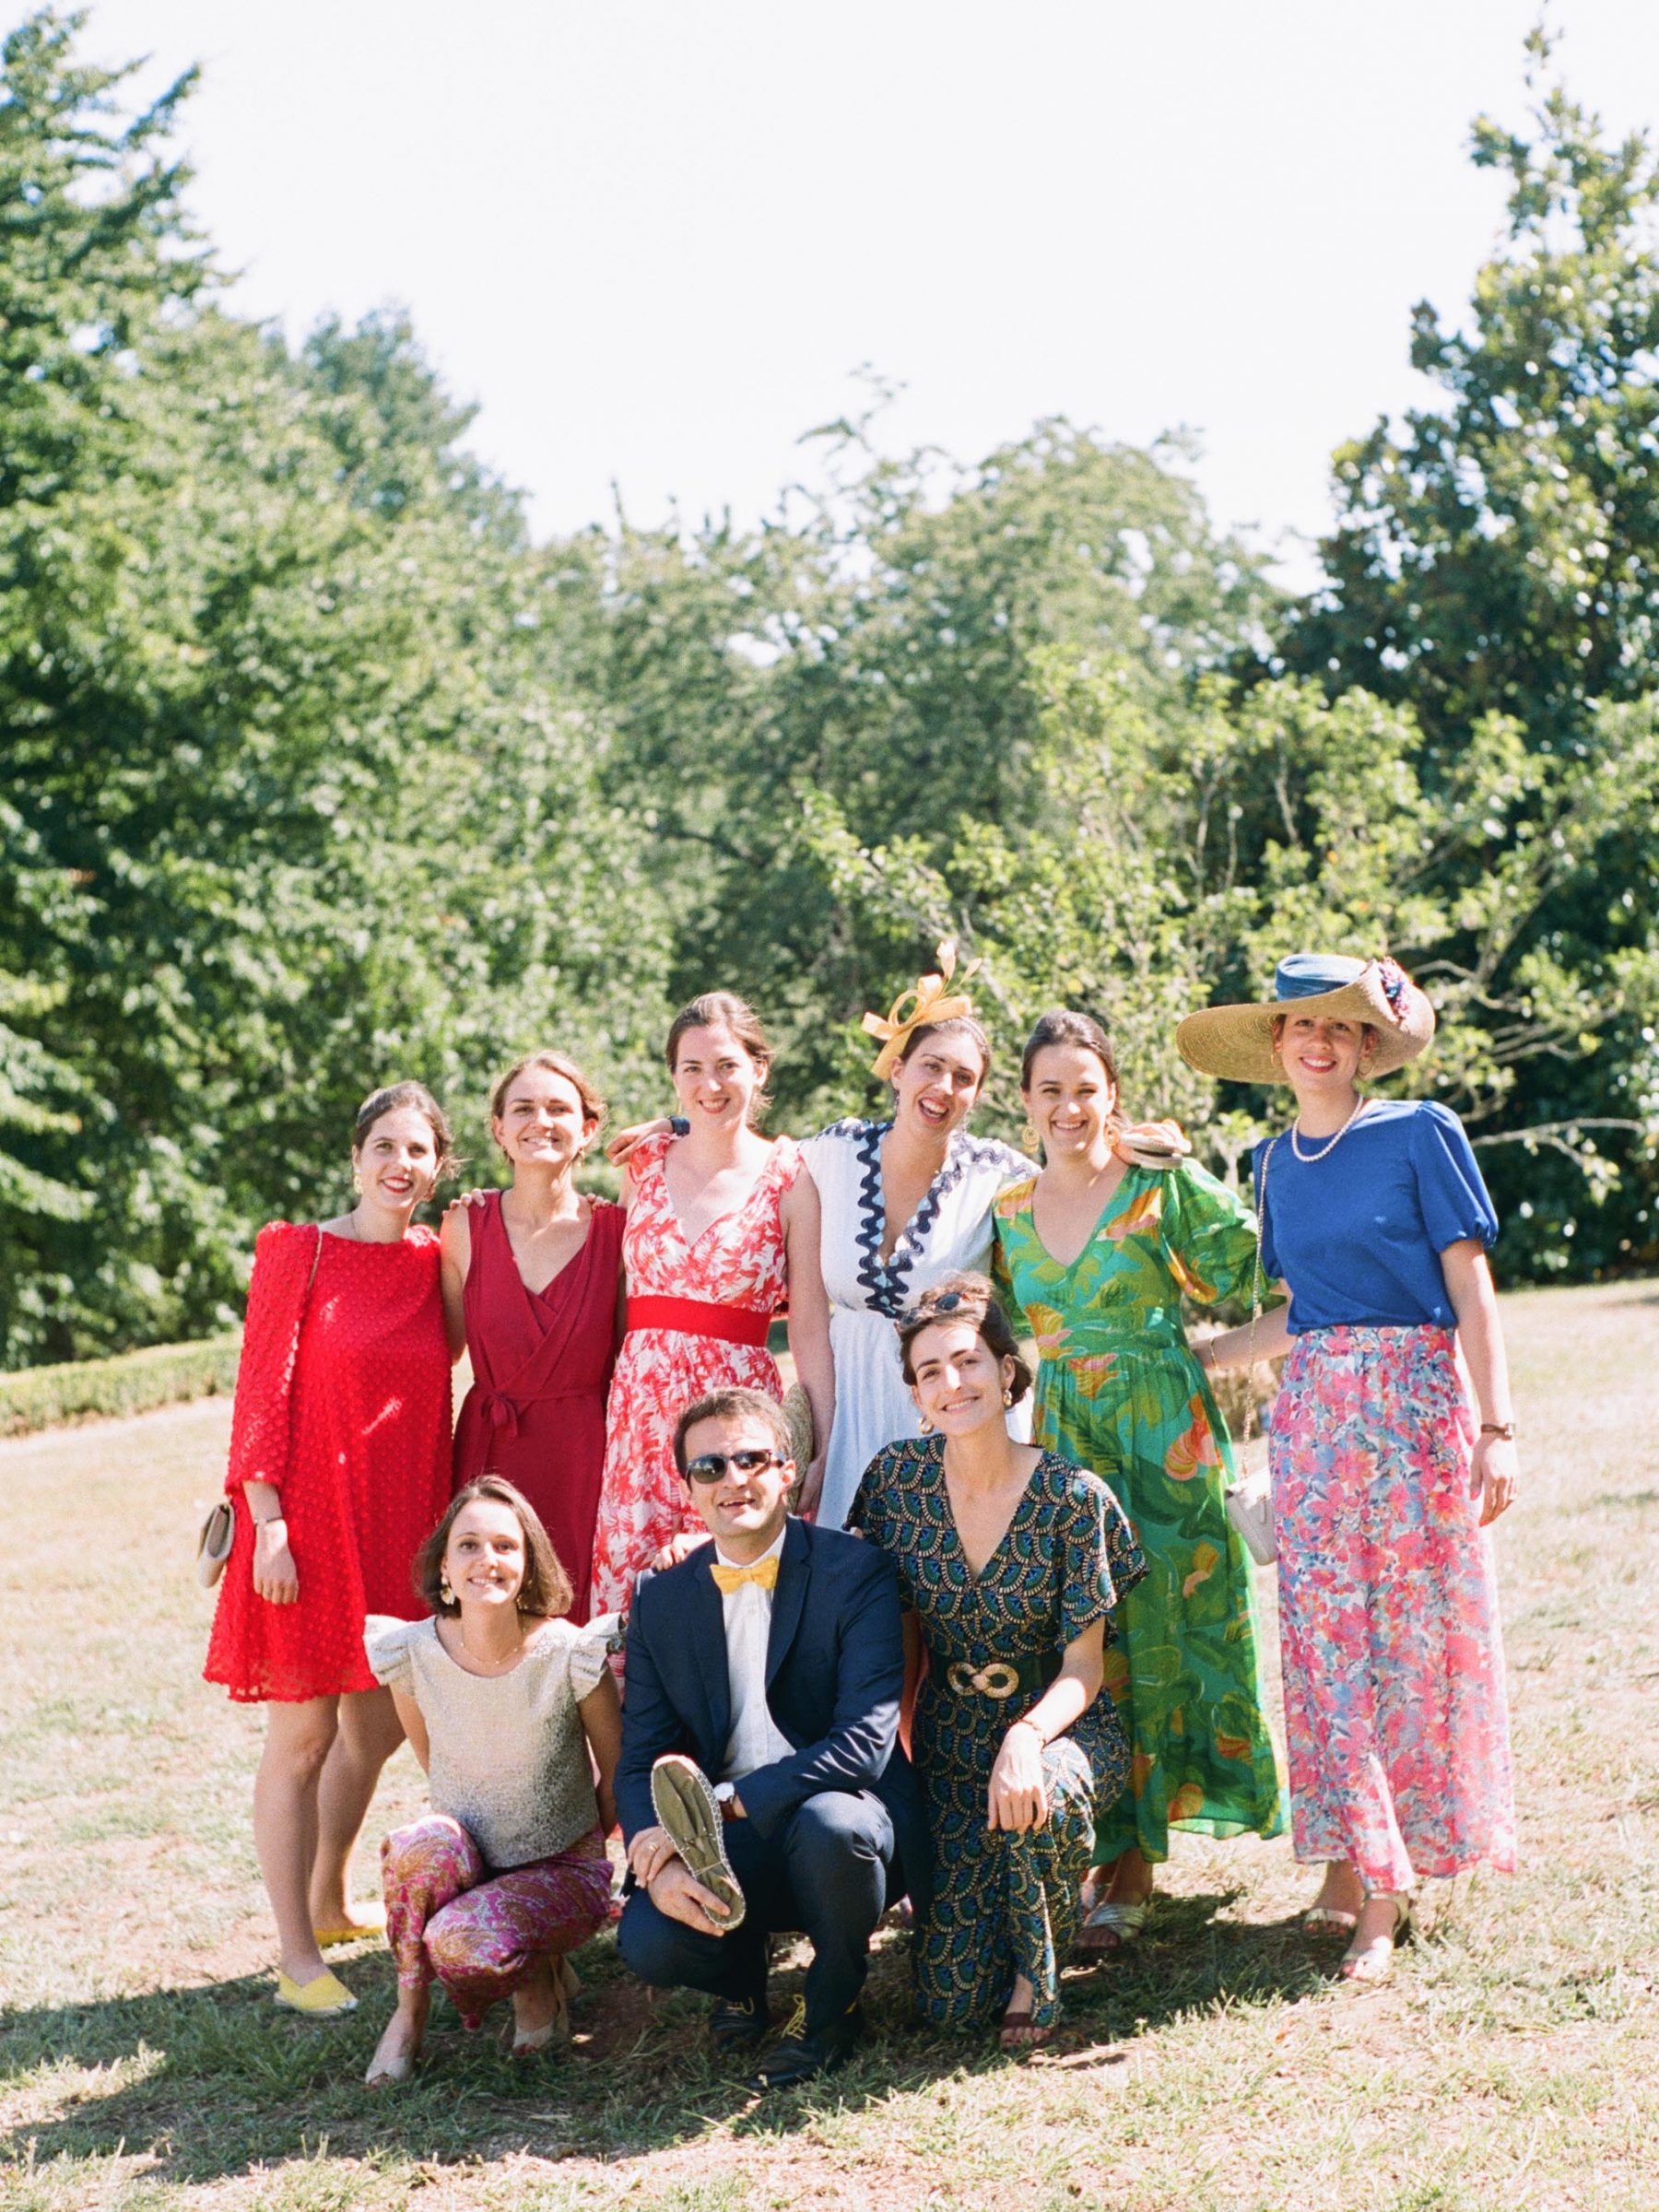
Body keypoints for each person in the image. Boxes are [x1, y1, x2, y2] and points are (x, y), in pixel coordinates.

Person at [1177, 953, 1518, 1984]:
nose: (1318, 1043)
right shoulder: (1272, 1164)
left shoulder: (1420, 1134)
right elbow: (1304, 1315)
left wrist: (1498, 1427)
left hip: (1415, 1414)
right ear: (1276, 1045)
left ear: (1368, 1045)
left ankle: (1386, 1892)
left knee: (1407, 1645)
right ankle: (1351, 1855)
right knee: (1325, 1645)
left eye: (1339, 1027)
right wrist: (1206, 1354)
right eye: (1300, 1026)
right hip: (1315, 1423)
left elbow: (1472, 1288)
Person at [606, 946, 1182, 1532]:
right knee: (849, 1570)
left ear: (978, 1095)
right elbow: (740, 1149)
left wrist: (1128, 1145)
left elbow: (1075, 1177)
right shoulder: (831, 1154)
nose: (944, 1087)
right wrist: (678, 1126)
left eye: (964, 1078)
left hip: (949, 1411)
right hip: (849, 1410)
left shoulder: (997, 1176)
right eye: (931, 1066)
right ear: (898, 1069)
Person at [992, 1011, 1284, 1951]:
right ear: (1025, 1100)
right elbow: (988, 1330)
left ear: (1113, 1094)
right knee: (1090, 1638)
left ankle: (1137, 1865)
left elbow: (1258, 1261)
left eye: (1087, 1088)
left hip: (1168, 1437)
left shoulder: (1156, 1183)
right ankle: (1105, 1840)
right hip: (1068, 1439)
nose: (1069, 1107)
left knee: (1171, 1629)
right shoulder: (1007, 1209)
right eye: (1051, 1090)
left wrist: (1182, 1164)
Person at [203, 1082, 457, 2017]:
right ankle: (296, 1959)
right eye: (384, 1145)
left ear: (438, 1169)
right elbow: (259, 1393)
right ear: (356, 1158)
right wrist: (267, 1522)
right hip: (307, 1526)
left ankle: (328, 1896)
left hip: (402, 1522)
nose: (400, 1163)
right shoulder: (298, 1251)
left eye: (418, 1150)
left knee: (379, 1725)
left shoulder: (435, 1261)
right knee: (303, 1740)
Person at [850, 1275, 1146, 2048]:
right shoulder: (895, 1484)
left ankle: (1036, 1974)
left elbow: (1085, 1669)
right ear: (916, 1395)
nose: (953, 1383)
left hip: (1060, 1726)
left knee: (1042, 1789)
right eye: (931, 1371)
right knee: (948, 2003)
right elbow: (892, 1632)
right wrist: (902, 1745)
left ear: (1007, 1370)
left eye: (968, 1361)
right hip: (948, 1741)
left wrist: (1026, 1737)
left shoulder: (1073, 1498)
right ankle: (1008, 1923)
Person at [616, 1386, 927, 2091]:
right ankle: (741, 1978)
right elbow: (639, 1760)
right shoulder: (661, 1601)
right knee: (649, 1940)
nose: (732, 1479)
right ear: (689, 1488)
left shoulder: (857, 1571)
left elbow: (864, 1744)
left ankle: (834, 2006)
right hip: (723, 1841)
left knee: (832, 1827)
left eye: (751, 1459)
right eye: (710, 1467)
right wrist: (657, 1861)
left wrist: (720, 1805)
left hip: (841, 1820)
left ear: (788, 1470)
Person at [360, 1477, 619, 2084]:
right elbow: (435, 1764)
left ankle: (538, 1975)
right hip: (472, 1860)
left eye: (505, 1546)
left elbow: (616, 1772)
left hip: (562, 1867)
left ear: (528, 1565)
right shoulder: (411, 1653)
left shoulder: (570, 1653)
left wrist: (573, 1844)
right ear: (444, 1568)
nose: (488, 1560)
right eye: (469, 1545)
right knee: (417, 1845)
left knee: (459, 1942)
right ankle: (409, 2011)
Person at [588, 994, 832, 1615]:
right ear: (674, 1077)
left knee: (736, 1599)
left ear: (759, 1070)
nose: (710, 1084)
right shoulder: (643, 1164)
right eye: (691, 1069)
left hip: (735, 1420)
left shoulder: (790, 1177)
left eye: (726, 1066)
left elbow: (809, 1327)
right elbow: (615, 1297)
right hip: (640, 1419)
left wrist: (821, 1447)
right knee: (636, 1608)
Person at [444, 1053, 625, 1623]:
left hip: (582, 1454)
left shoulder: (616, 1232)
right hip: (489, 1451)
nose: (540, 1121)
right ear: (499, 1128)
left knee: (575, 1618)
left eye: (558, 1109)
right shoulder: (462, 1226)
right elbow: (441, 1350)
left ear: (588, 1129)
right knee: (485, 1614)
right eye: (522, 1109)